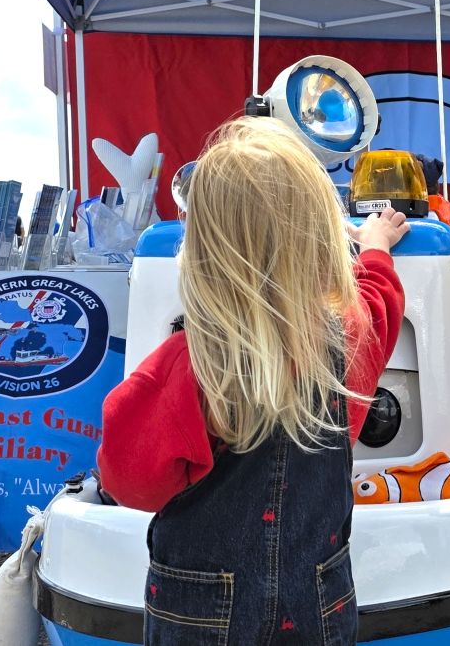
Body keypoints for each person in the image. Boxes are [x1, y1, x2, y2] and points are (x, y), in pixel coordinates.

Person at [97, 117, 408, 645]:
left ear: (202, 248)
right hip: (318, 601)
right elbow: (381, 301)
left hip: (196, 610)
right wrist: (374, 247)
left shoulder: (181, 366)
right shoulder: (348, 337)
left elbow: (128, 483)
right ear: (323, 239)